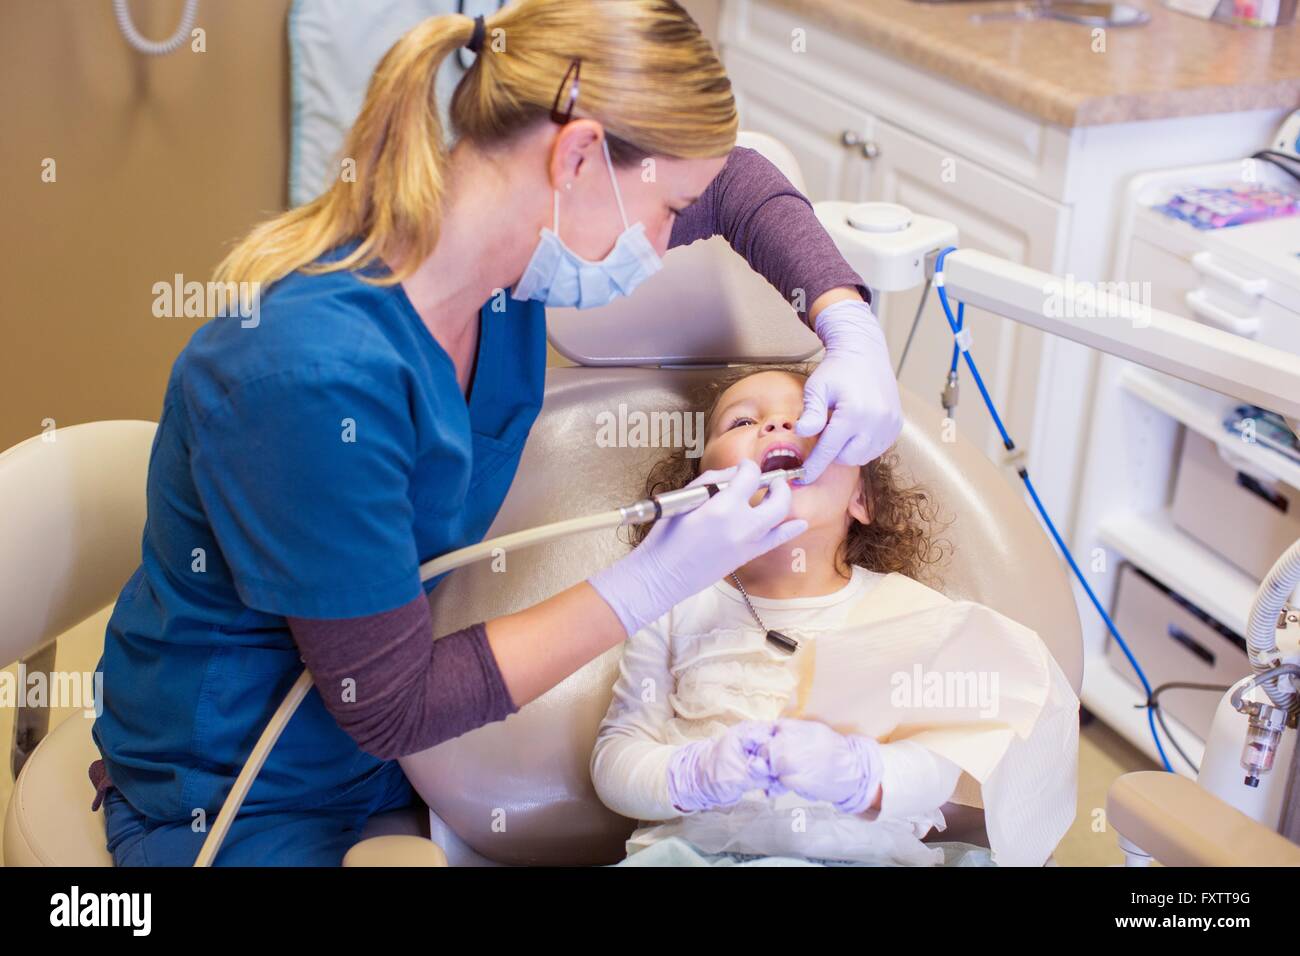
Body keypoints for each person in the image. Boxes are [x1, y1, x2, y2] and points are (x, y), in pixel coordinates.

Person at [91, 0, 903, 866]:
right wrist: (653, 581)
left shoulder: (503, 271)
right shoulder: (311, 378)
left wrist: (845, 320)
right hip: (237, 784)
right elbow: (388, 702)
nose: (669, 242)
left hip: (401, 756)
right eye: (669, 210)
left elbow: (734, 180)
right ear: (580, 154)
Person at [591, 365, 1079, 866]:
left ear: (862, 499)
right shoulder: (672, 605)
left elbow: (941, 764)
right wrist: (690, 774)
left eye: (809, 420)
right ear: (700, 490)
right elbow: (615, 760)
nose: (778, 427)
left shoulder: (911, 614)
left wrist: (857, 772)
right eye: (740, 423)